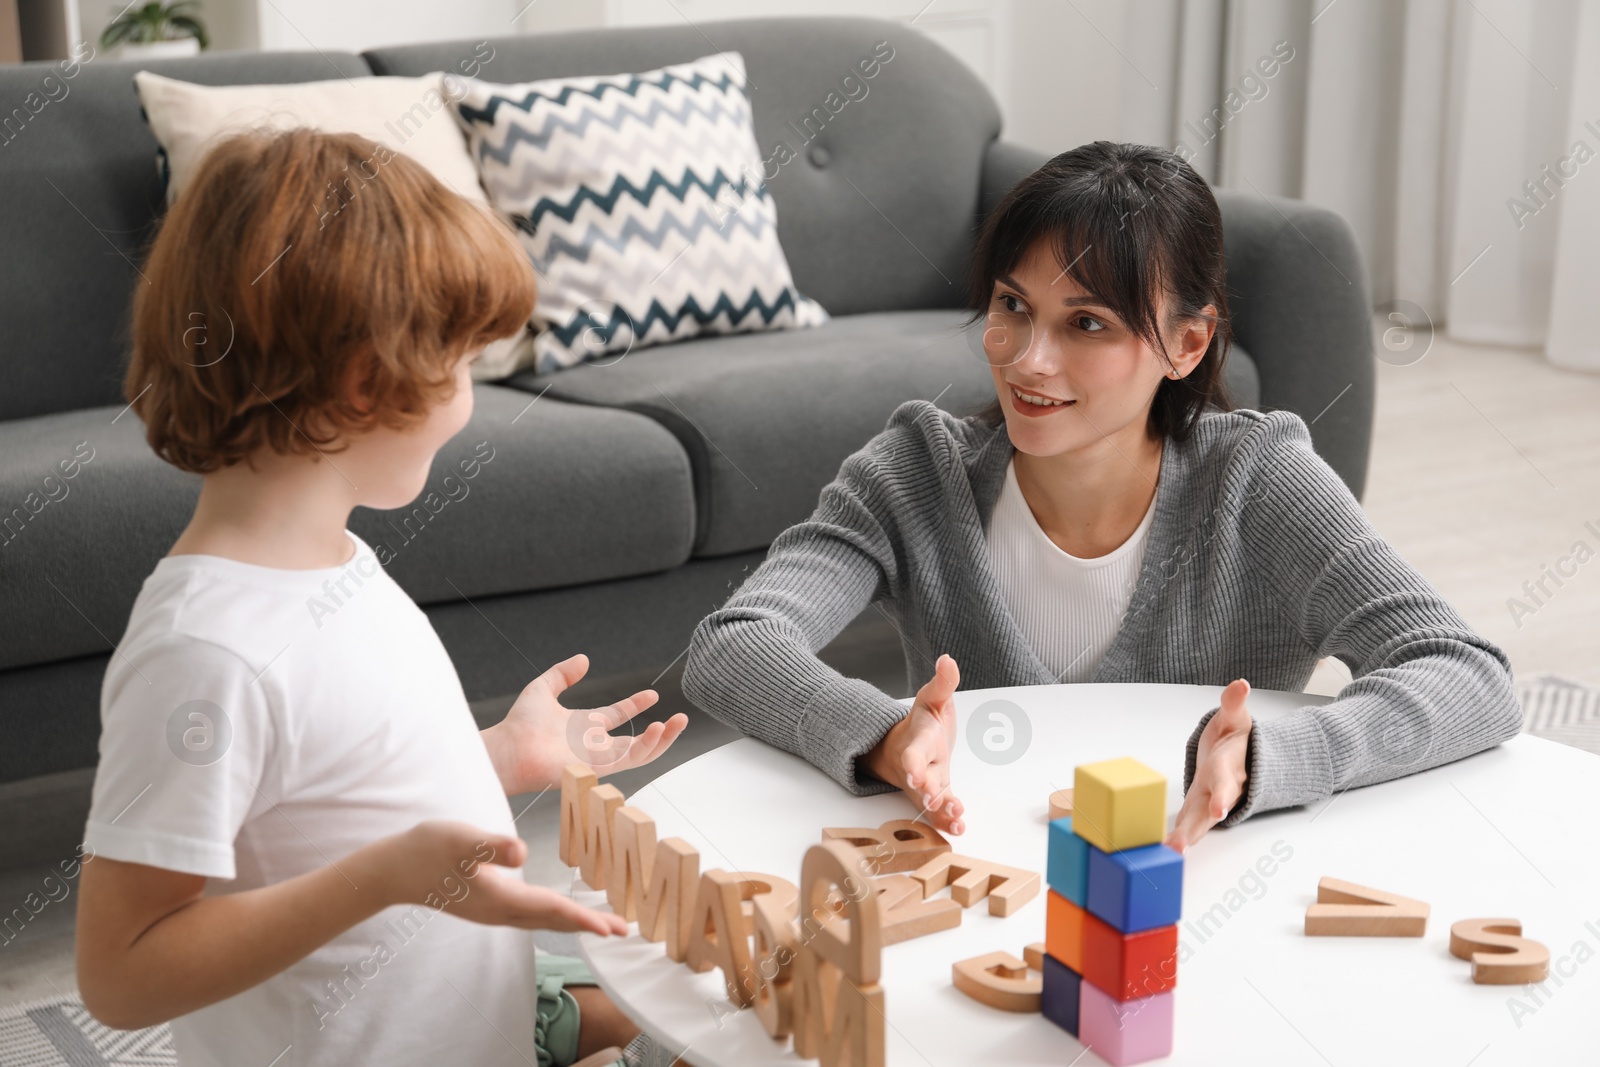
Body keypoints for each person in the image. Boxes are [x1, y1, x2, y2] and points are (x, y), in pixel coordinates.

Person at [682, 140, 1520, 851]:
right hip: (980, 883)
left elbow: (1468, 674)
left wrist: (1275, 754)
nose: (1027, 359)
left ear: (1187, 343)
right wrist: (882, 732)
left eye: (1087, 324)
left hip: (1202, 888)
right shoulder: (913, 472)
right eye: (1014, 305)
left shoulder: (1260, 482)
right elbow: (734, 644)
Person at [74, 128, 686, 1067]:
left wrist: (497, 757)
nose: (469, 396)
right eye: (463, 363)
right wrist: (388, 880)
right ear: (369, 383)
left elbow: (328, 798)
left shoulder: (336, 561)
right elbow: (120, 972)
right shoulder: (207, 653)